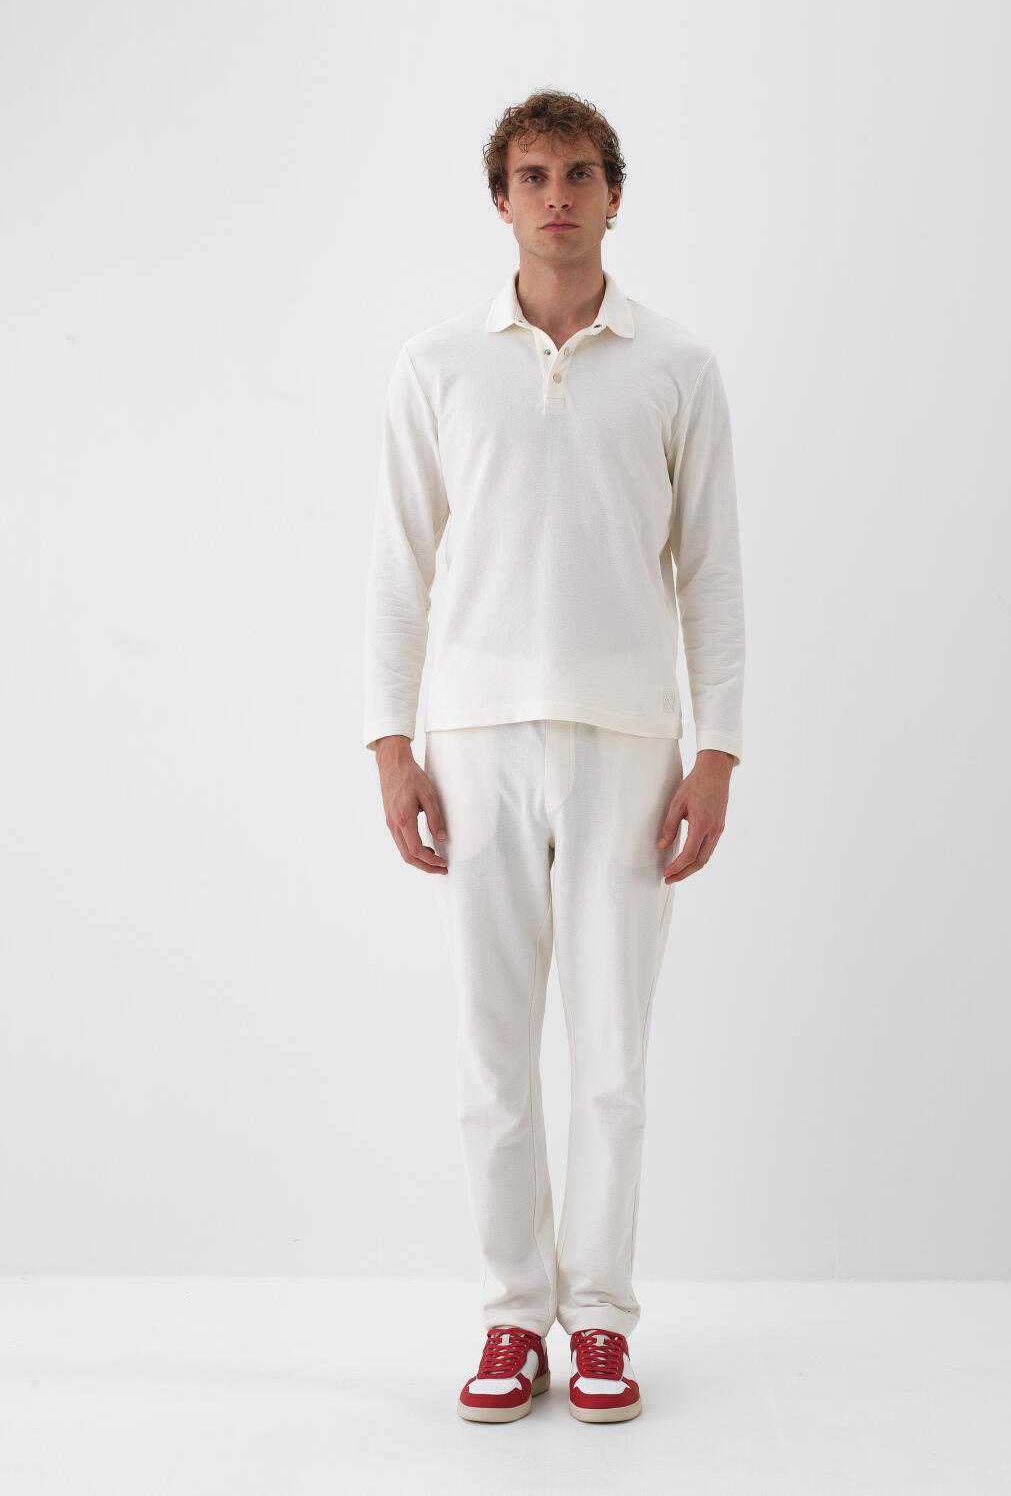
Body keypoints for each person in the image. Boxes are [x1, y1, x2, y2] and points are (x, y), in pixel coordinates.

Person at [362, 89, 745, 1424]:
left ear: (614, 195)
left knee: (610, 1059)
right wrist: (390, 745)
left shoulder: (677, 366)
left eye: (580, 174)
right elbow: (398, 567)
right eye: (533, 176)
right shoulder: (436, 365)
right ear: (501, 199)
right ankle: (511, 1315)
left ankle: (600, 1322)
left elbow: (711, 572)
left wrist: (717, 751)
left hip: (630, 740)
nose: (558, 197)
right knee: (492, 1052)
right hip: (473, 737)